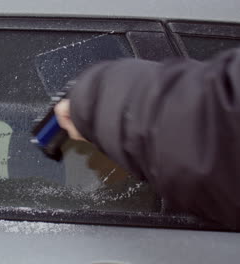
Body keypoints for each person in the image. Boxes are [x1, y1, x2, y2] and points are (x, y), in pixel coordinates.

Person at [54, 48, 240, 228]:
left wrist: (95, 100)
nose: (90, 163)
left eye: (96, 148)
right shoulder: (107, 201)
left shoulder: (143, 201)